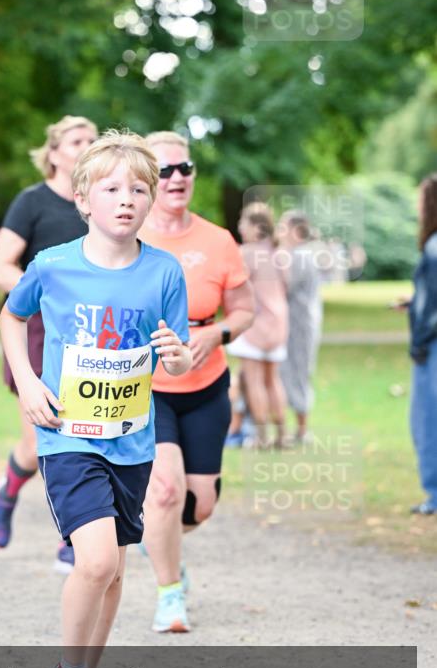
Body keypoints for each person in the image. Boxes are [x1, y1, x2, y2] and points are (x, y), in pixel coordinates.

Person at [0, 131, 191, 668]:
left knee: (112, 575)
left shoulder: (164, 272)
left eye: (140, 188)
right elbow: (11, 315)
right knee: (98, 560)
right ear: (83, 199)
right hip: (66, 438)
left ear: (153, 199)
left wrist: (179, 357)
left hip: (132, 441)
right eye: (111, 189)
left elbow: (178, 361)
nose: (126, 200)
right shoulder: (54, 265)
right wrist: (28, 383)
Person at [138, 131, 254, 632]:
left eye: (184, 168)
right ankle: (169, 594)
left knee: (198, 503)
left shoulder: (218, 240)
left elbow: (246, 310)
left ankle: (164, 543)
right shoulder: (131, 239)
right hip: (150, 390)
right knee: (164, 490)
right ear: (148, 179)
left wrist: (218, 334)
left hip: (207, 387)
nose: (177, 178)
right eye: (165, 171)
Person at [0, 115, 97, 568]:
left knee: (88, 436)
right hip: (38, 333)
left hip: (93, 336)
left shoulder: (103, 203)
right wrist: (48, 294)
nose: (86, 146)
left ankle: (74, 536)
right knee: (39, 443)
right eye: (76, 140)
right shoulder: (32, 202)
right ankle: (8, 490)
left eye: (93, 140)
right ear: (52, 153)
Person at [227, 202, 289, 448]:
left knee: (254, 381)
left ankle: (261, 436)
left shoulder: (246, 253)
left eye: (244, 221)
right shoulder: (279, 254)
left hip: (255, 324)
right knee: (273, 380)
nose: (240, 226)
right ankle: (282, 434)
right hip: (279, 324)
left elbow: (236, 288)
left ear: (255, 227)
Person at [277, 210, 322, 443]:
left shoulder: (300, 256)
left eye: (283, 227)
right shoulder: (299, 254)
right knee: (288, 372)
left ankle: (303, 429)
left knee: (298, 372)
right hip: (297, 322)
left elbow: (286, 285)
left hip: (300, 324)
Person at [408, 173, 437, 516]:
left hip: (431, 349)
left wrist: (417, 343)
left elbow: (431, 310)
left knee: (427, 421)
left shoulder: (432, 248)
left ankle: (434, 493)